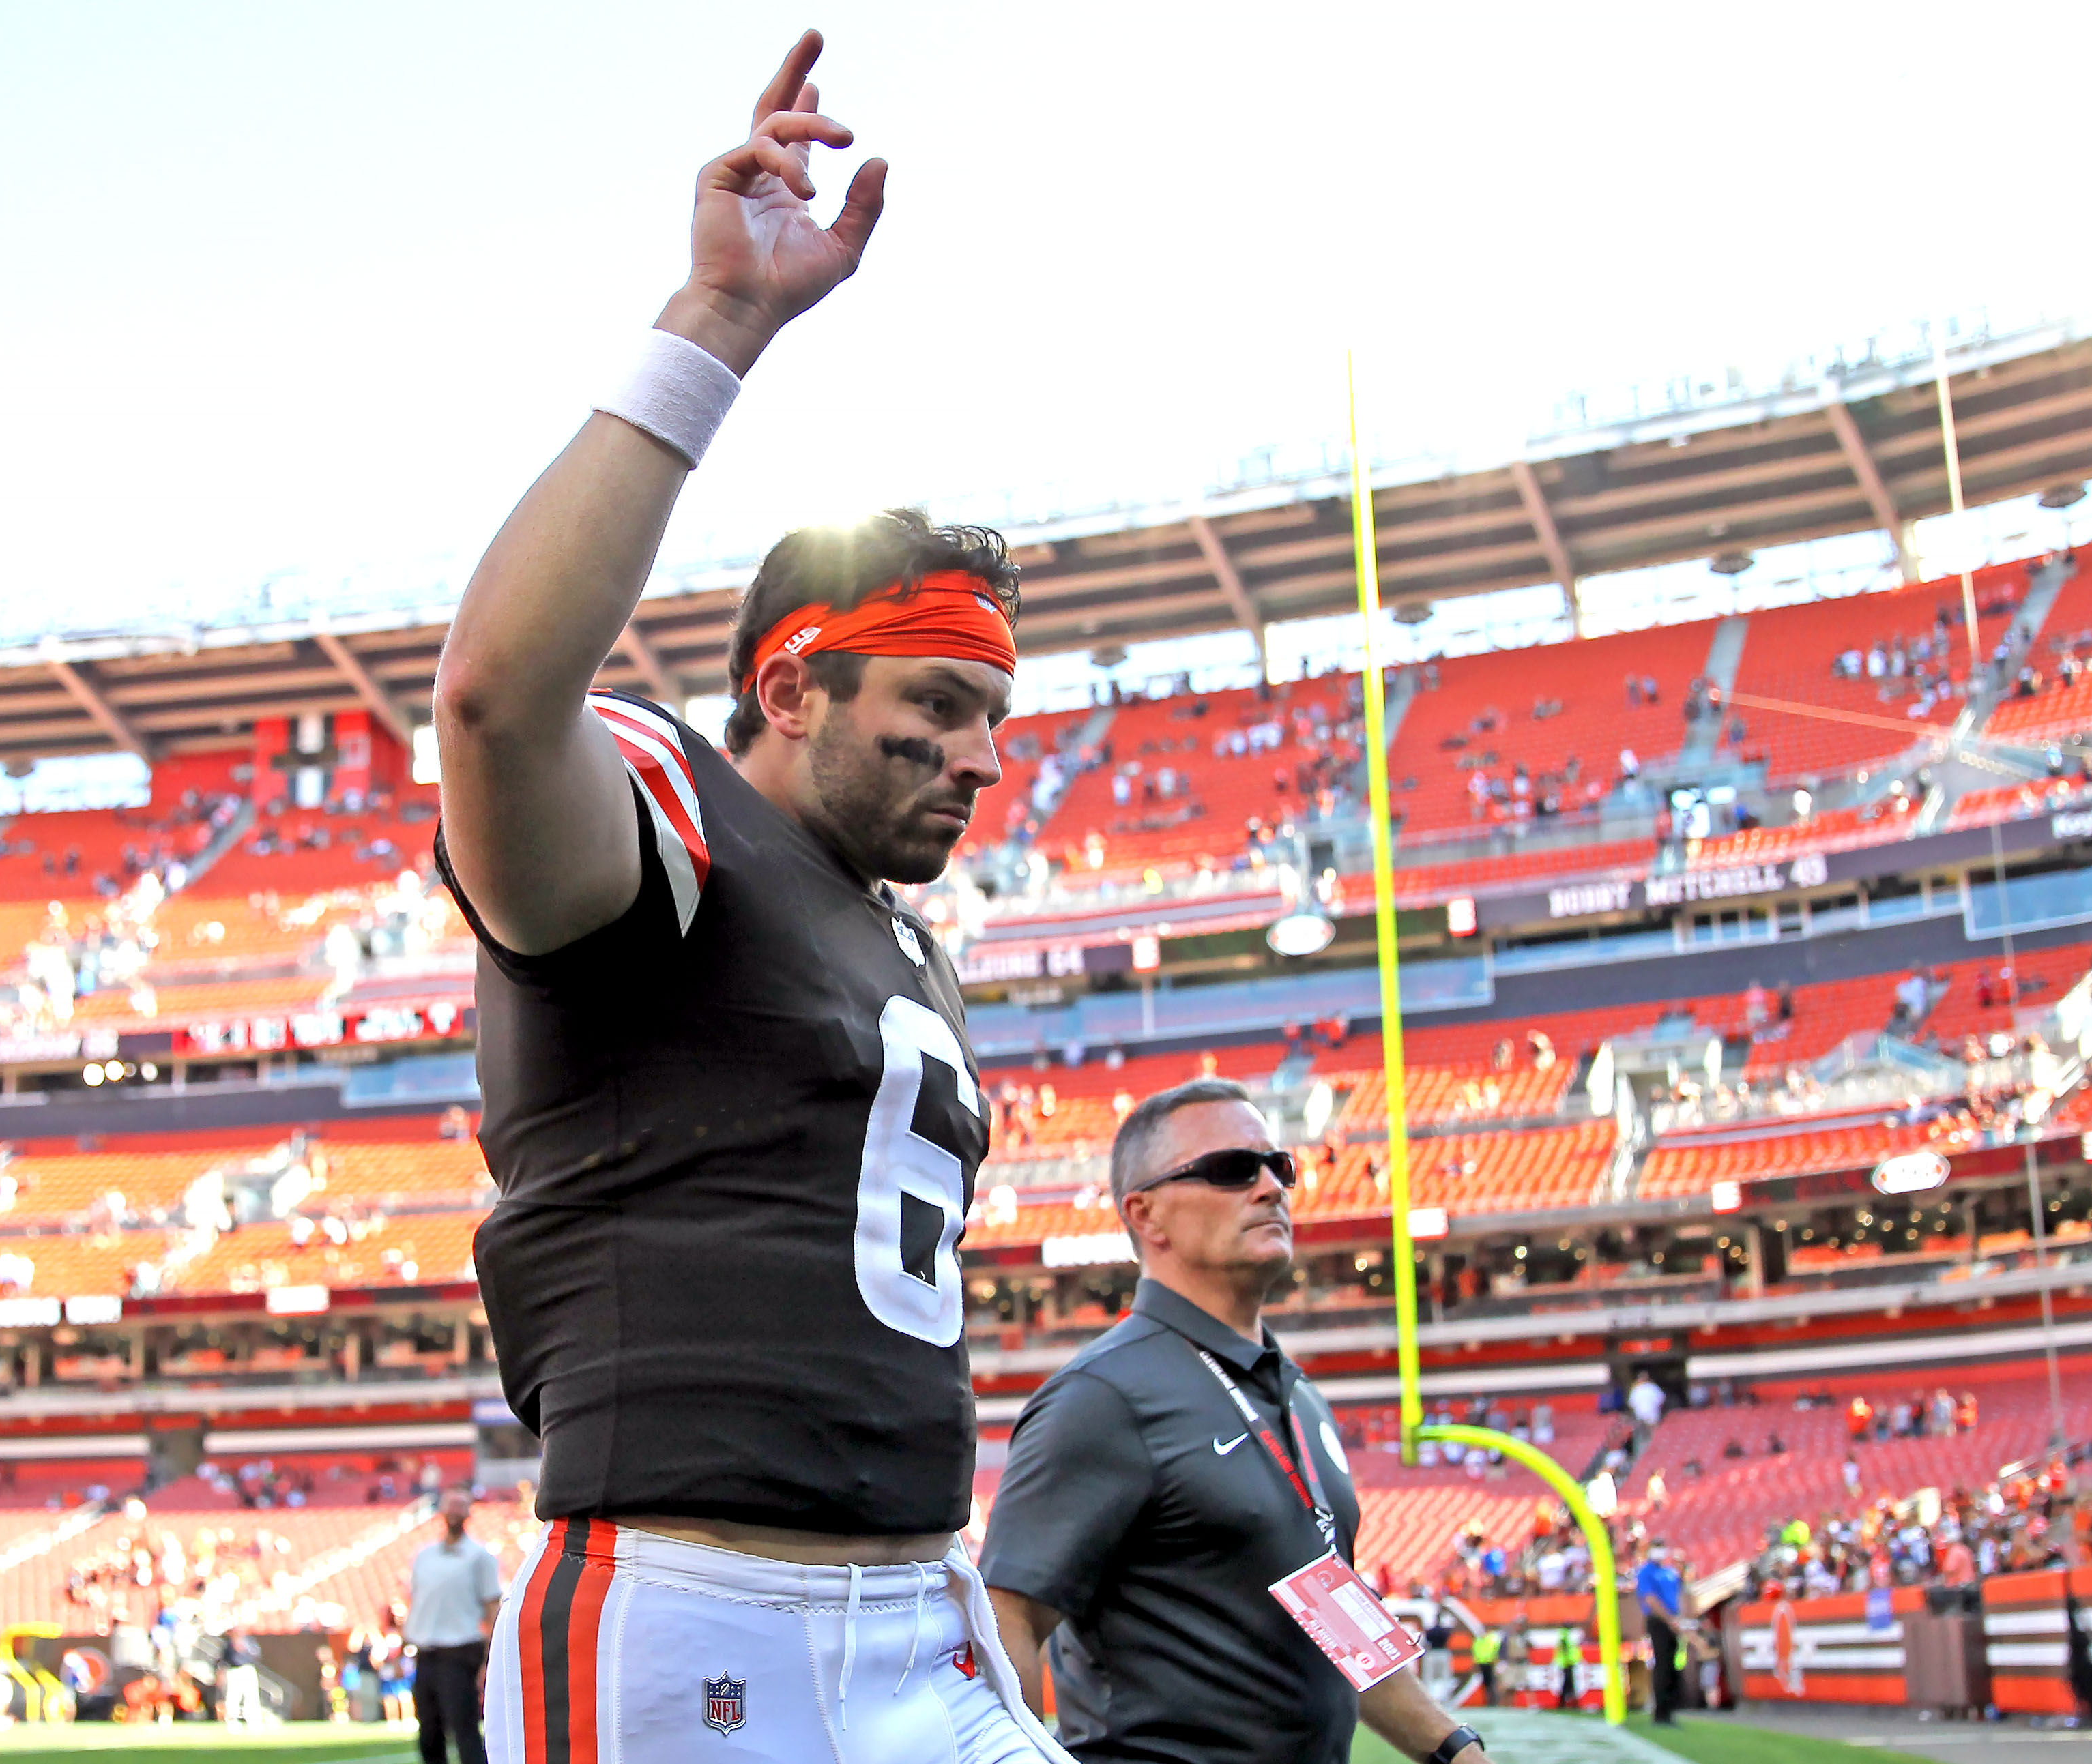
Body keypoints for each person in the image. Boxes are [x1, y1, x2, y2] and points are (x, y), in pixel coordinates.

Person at [431, 33, 1061, 1763]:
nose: (977, 757)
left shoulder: (896, 934)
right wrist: (718, 323)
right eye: (934, 708)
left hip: (924, 1605)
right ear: (790, 692)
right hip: (697, 1604)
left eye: (992, 719)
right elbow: (491, 696)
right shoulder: (670, 810)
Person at [979, 1080, 1487, 1764]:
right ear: (1146, 1215)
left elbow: (1331, 1607)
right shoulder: (1103, 1396)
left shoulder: (1297, 1396)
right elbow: (1007, 1617)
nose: (1271, 1187)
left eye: (1281, 1167)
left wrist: (1453, 1747)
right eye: (1232, 1170)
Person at [401, 1488, 498, 1764]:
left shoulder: (480, 1556)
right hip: (426, 1652)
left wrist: (487, 1659)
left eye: (461, 1505)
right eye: (450, 1505)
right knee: (428, 1731)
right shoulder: (424, 1556)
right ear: (441, 1511)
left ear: (469, 1512)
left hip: (460, 1651)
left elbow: (492, 1607)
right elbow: (417, 1602)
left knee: (464, 1728)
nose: (455, 1511)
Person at [1635, 1542, 1687, 1726]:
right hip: (1659, 1622)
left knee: (1673, 1666)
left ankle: (1671, 1711)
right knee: (1663, 1665)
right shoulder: (1646, 1572)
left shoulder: (1670, 1572)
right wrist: (1669, 1619)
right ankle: (1661, 1714)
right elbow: (1650, 1599)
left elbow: (1679, 1596)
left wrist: (1679, 1619)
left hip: (1674, 1621)